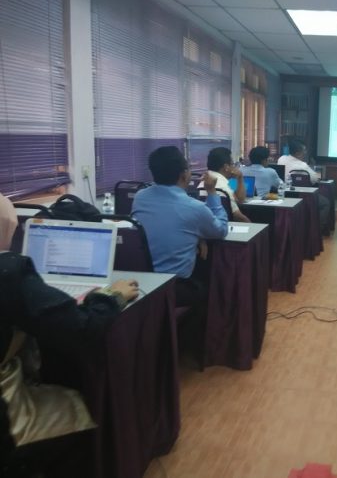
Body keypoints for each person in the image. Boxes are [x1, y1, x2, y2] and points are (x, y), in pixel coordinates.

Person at [0, 192, 139, 473]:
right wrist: (111, 297)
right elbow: (83, 329)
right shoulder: (9, 274)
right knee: (76, 405)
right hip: (7, 419)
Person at [132, 146, 228, 306]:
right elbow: (221, 230)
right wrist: (211, 192)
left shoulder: (140, 197)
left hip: (142, 281)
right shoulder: (194, 208)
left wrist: (197, 236)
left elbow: (164, 225)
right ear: (184, 174)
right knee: (208, 283)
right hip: (172, 287)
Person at [278, 140, 331, 233]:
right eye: (304, 150)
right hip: (303, 196)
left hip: (285, 194)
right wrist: (317, 171)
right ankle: (317, 230)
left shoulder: (281, 159)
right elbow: (316, 179)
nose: (305, 152)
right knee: (325, 203)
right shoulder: (302, 165)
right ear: (297, 153)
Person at [202, 147, 251, 223]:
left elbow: (239, 199)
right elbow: (238, 217)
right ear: (226, 167)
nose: (234, 167)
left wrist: (240, 178)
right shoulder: (223, 187)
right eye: (232, 164)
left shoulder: (202, 182)